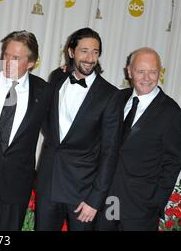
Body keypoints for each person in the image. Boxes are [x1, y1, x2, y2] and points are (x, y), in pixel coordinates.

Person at [35, 27, 123, 231]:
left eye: (95, 52)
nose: (90, 58)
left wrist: (95, 199)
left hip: (82, 193)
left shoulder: (110, 95)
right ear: (71, 52)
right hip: (48, 185)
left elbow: (110, 152)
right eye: (84, 51)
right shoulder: (57, 78)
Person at [0, 31, 53, 230]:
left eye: (15, 58)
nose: (7, 62)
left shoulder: (45, 92)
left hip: (17, 185)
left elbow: (55, 134)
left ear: (31, 63)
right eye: (6, 55)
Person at [97, 47, 181, 231]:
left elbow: (173, 161)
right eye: (141, 71)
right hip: (109, 199)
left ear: (159, 73)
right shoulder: (117, 98)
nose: (147, 77)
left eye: (153, 72)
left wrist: (155, 202)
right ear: (129, 72)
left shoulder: (171, 112)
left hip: (141, 207)